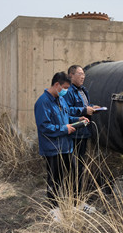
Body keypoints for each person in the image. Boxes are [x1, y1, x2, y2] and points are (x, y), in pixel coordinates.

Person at [34, 72, 89, 220]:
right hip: (53, 148)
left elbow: (66, 117)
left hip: (66, 146)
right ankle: (54, 210)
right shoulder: (43, 102)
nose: (66, 90)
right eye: (64, 87)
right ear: (57, 85)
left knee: (74, 174)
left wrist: (78, 119)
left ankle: (76, 204)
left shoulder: (61, 99)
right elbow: (44, 127)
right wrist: (65, 129)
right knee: (55, 179)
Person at [64, 65, 100, 201]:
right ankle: (75, 198)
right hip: (75, 133)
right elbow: (66, 110)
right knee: (75, 166)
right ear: (71, 75)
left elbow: (84, 106)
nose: (83, 76)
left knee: (80, 165)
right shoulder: (68, 91)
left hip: (84, 132)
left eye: (83, 74)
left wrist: (92, 107)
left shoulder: (83, 90)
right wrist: (84, 111)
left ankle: (79, 196)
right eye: (79, 73)